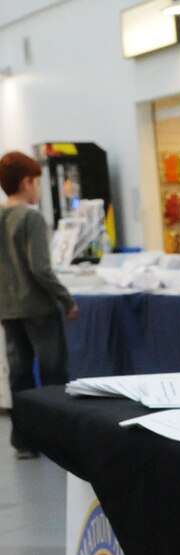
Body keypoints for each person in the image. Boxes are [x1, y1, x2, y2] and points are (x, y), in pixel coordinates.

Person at [0, 151, 76, 456]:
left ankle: (24, 439)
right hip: (37, 308)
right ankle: (57, 438)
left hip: (8, 308)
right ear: (26, 182)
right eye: (37, 182)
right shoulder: (31, 217)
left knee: (19, 374)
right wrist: (65, 298)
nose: (39, 190)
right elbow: (40, 268)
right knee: (52, 372)